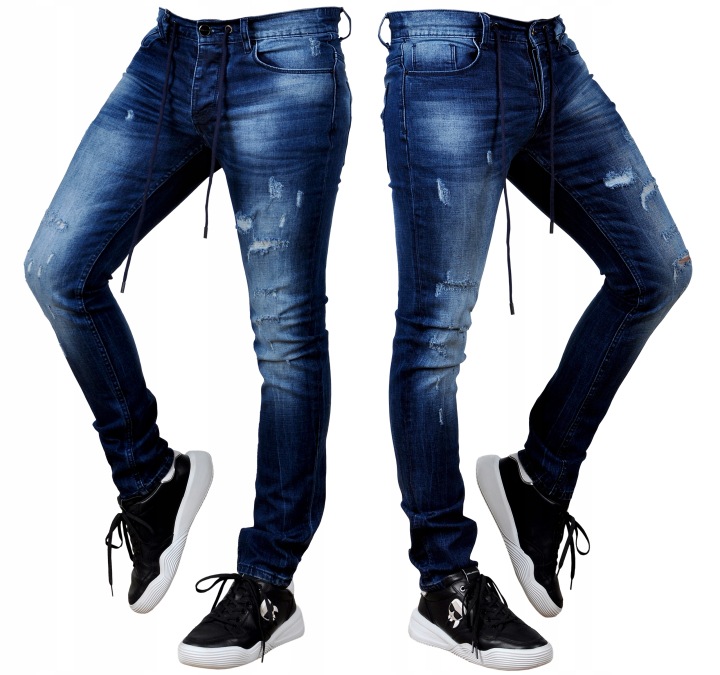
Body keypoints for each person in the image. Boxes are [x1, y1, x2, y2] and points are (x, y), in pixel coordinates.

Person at [24, 6, 351, 669]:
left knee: (285, 337)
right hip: (173, 53)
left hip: (286, 60)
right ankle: (152, 481)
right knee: (56, 271)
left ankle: (269, 581)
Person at [380, 9, 690, 669]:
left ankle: (537, 481)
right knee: (435, 333)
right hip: (444, 56)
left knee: (658, 272)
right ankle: (445, 585)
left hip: (548, 53)